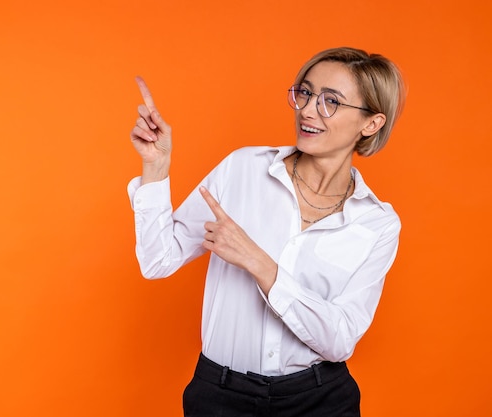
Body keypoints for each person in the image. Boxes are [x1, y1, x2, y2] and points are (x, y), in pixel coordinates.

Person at [127, 47, 406, 417]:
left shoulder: (376, 223)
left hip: (320, 401)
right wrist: (156, 168)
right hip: (221, 397)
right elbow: (157, 260)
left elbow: (339, 340)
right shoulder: (242, 169)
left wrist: (259, 263)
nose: (307, 110)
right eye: (304, 93)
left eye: (330, 102)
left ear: (370, 124)